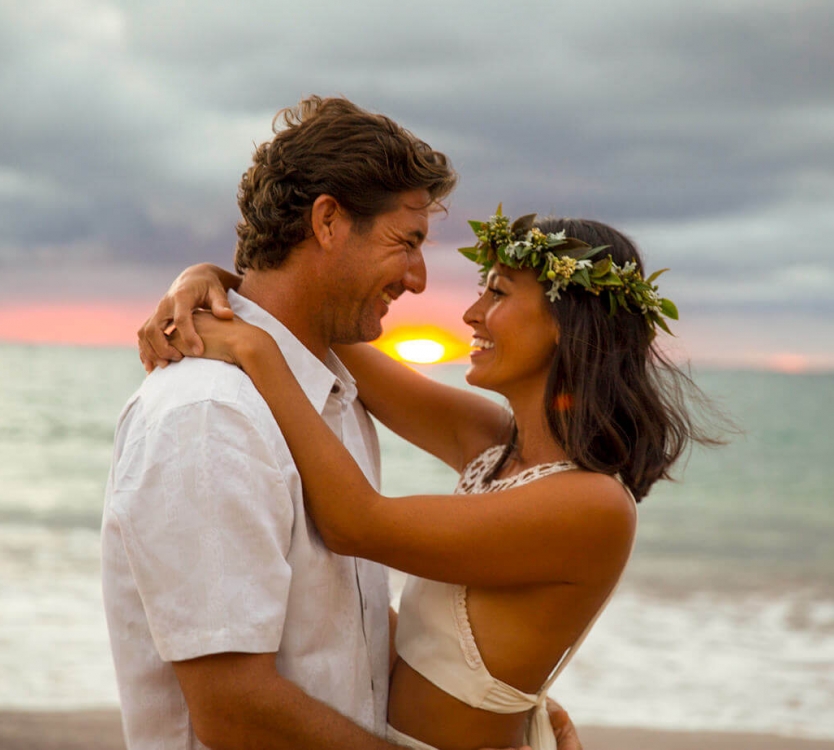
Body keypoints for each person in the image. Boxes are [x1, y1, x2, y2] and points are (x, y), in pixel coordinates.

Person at [139, 209, 721, 749]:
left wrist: (256, 352)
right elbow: (312, 323)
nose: (470, 315)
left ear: (568, 325)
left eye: (496, 293)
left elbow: (355, 522)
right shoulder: (494, 443)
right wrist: (203, 279)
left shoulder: (592, 505)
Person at [103, 94, 532, 750]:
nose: (418, 280)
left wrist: (513, 718)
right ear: (329, 221)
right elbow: (234, 711)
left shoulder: (333, 398)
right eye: (406, 242)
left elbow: (344, 634)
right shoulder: (211, 416)